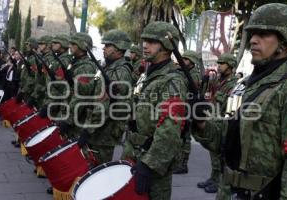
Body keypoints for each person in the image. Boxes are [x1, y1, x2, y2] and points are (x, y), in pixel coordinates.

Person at [192, 3, 287, 199]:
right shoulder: (244, 85)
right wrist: (201, 121)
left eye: (263, 34)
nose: (254, 40)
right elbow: (226, 138)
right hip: (228, 190)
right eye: (253, 34)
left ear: (285, 43)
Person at [122, 21, 188, 200]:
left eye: (152, 41)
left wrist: (149, 165)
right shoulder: (147, 75)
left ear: (166, 46)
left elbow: (169, 131)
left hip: (152, 163)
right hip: (133, 154)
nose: (144, 45)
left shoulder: (172, 81)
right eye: (144, 41)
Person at [80, 29, 134, 163]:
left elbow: (106, 105)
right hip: (98, 128)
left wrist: (88, 129)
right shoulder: (108, 68)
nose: (104, 48)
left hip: (105, 131)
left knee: (97, 167)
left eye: (108, 45)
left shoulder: (120, 71)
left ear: (119, 48)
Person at [196, 53, 238, 193]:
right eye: (218, 63)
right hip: (212, 119)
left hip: (222, 122)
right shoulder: (218, 81)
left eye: (222, 64)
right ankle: (213, 178)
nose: (219, 66)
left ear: (230, 67)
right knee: (213, 153)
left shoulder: (233, 85)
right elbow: (208, 95)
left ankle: (219, 182)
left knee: (220, 156)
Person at [57, 32, 96, 140]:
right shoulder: (75, 63)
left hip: (74, 121)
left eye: (73, 44)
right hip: (66, 112)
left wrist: (68, 120)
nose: (70, 46)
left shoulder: (86, 67)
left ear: (82, 45)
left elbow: (80, 96)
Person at [173, 50, 202, 174]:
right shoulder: (182, 71)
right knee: (179, 136)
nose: (182, 61)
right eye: (182, 59)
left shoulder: (194, 74)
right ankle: (177, 161)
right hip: (181, 107)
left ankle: (183, 164)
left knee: (185, 138)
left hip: (188, 108)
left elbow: (192, 87)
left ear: (192, 62)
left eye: (186, 59)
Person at [39, 34, 73, 119]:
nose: (52, 44)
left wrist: (49, 105)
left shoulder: (65, 60)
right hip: (48, 99)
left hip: (54, 104)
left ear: (63, 44)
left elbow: (59, 85)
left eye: (55, 42)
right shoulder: (58, 59)